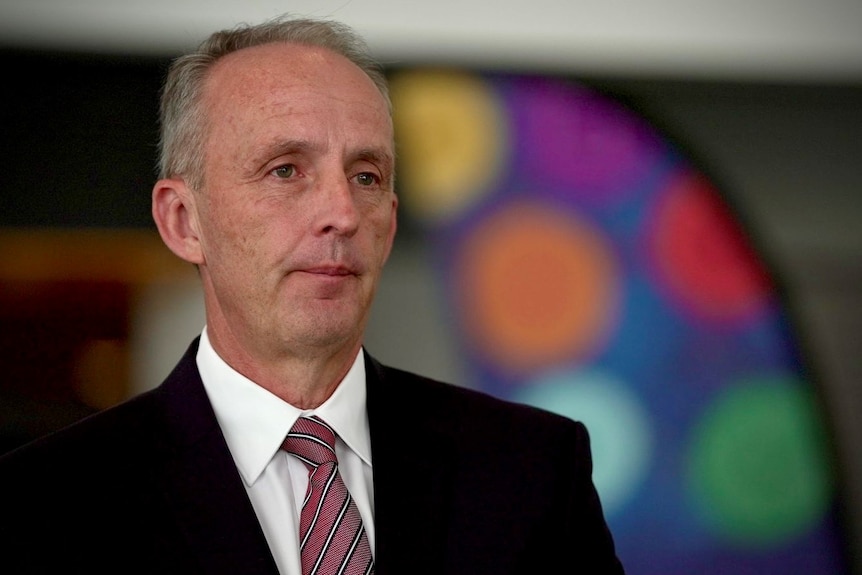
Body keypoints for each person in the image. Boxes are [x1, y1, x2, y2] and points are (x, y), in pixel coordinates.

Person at [0, 14, 625, 575]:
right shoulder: (41, 505)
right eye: (285, 169)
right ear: (185, 222)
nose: (342, 212)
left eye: (366, 176)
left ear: (392, 222)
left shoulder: (534, 473)